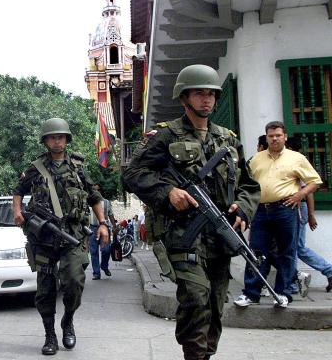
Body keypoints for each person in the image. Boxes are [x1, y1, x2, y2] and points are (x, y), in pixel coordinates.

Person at [123, 64, 260, 360]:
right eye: (199, 93)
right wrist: (167, 192)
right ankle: (195, 356)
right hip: (184, 236)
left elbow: (250, 185)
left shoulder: (228, 140)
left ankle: (203, 354)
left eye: (211, 94)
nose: (207, 99)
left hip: (220, 237)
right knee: (196, 299)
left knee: (214, 303)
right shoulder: (166, 137)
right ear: (184, 97)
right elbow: (132, 173)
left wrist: (243, 209)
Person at [13, 117, 109, 355]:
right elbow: (18, 190)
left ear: (66, 139)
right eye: (52, 137)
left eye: (61, 137)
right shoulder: (35, 168)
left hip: (74, 234)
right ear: (45, 141)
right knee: (45, 289)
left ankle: (68, 320)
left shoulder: (77, 166)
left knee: (74, 280)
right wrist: (17, 212)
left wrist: (103, 223)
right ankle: (49, 335)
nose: (57, 141)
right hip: (44, 237)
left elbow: (93, 196)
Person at [234, 121, 322, 309]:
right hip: (260, 211)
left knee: (287, 252)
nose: (274, 139)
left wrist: (300, 195)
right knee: (256, 252)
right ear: (266, 138)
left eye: (278, 135)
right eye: (271, 136)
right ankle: (251, 293)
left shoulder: (296, 158)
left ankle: (283, 294)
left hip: (285, 209)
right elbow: (245, 184)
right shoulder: (256, 159)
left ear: (285, 137)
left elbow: (315, 181)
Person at [285, 137, 332, 295]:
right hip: (298, 208)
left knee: (297, 247)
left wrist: (311, 214)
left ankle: (328, 271)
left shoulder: (297, 164)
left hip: (299, 208)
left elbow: (308, 192)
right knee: (295, 247)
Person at [88, 185, 117, 279]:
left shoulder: (106, 202)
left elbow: (111, 214)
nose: (95, 191)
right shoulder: (88, 202)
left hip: (105, 228)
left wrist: (114, 227)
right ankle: (96, 273)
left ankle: (104, 266)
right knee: (93, 252)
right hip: (92, 229)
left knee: (106, 250)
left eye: (97, 190)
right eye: (94, 189)